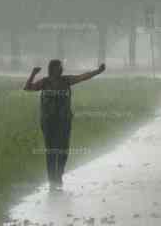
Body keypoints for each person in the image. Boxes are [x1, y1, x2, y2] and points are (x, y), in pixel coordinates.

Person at [23, 60, 106, 188]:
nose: (61, 69)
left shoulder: (66, 80)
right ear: (52, 69)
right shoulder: (45, 82)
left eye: (61, 67)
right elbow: (27, 88)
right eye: (58, 67)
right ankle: (52, 179)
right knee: (50, 150)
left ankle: (59, 174)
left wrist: (98, 71)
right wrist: (33, 73)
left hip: (64, 120)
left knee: (63, 149)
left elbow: (83, 77)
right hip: (48, 120)